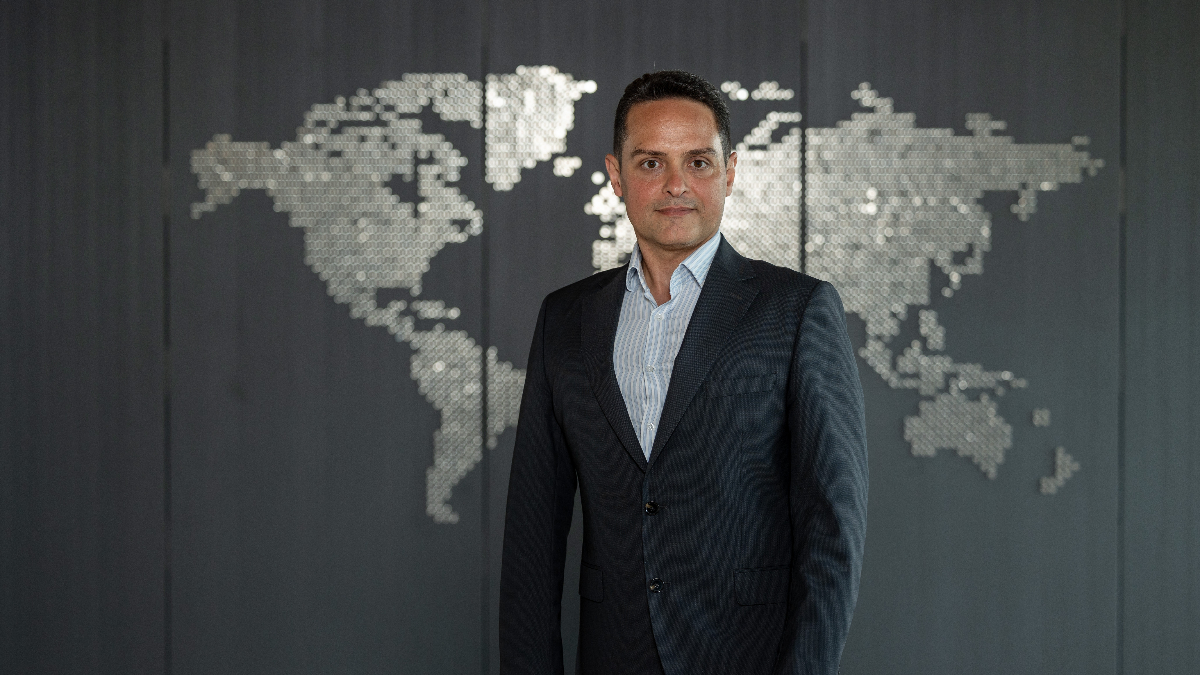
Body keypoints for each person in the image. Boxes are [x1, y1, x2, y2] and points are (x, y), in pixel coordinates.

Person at [499, 70, 868, 675]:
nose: (676, 185)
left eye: (698, 162)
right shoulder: (565, 319)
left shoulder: (797, 310)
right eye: (651, 163)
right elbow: (532, 538)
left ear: (729, 171)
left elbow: (833, 532)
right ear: (616, 175)